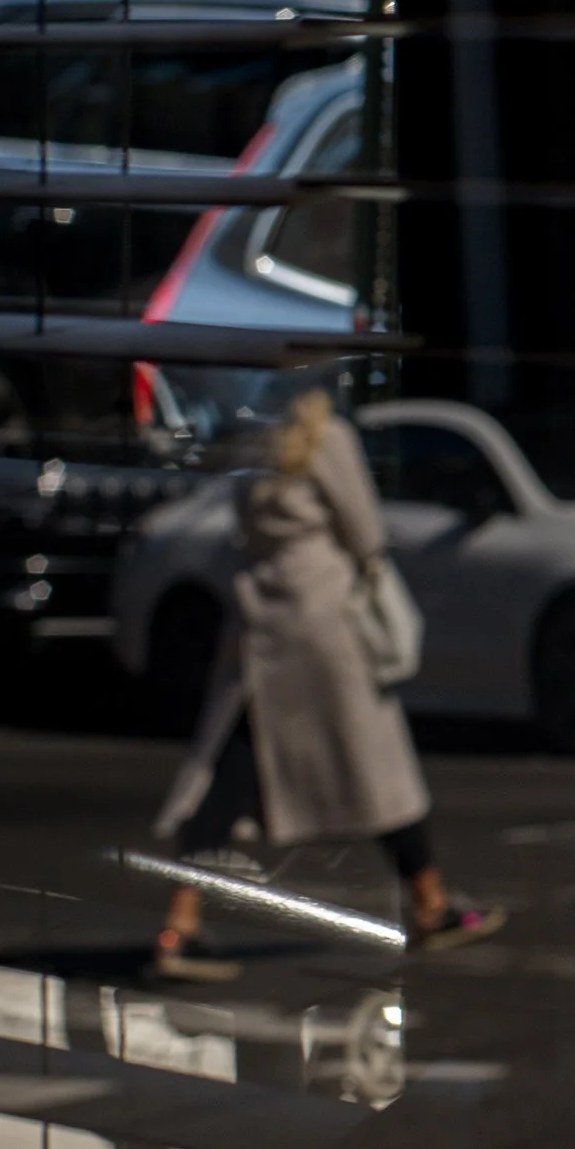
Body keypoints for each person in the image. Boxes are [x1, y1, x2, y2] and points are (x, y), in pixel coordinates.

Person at [148, 389, 502, 982]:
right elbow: (364, 532)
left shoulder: (253, 440)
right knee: (377, 767)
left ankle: (178, 927)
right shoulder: (328, 437)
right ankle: (429, 905)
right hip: (324, 624)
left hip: (260, 622)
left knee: (230, 770)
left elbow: (241, 526)